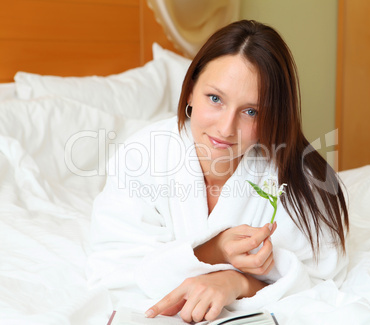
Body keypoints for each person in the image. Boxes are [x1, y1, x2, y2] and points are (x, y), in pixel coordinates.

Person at [87, 20, 349, 323]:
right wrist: (213, 251)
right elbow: (114, 272)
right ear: (189, 91)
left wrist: (236, 283)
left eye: (251, 111)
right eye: (215, 98)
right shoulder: (141, 156)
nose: (226, 129)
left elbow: (320, 275)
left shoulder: (298, 178)